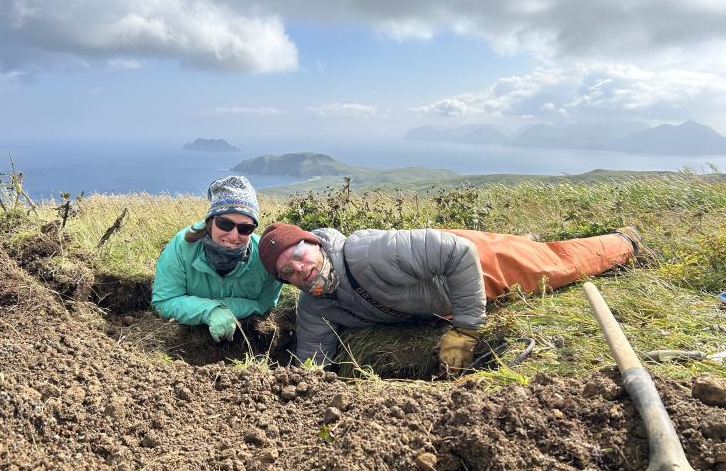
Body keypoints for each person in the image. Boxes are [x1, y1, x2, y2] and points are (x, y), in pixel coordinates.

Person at [258, 223, 645, 368]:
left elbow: (459, 255)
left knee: (559, 264)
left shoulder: (365, 252)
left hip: (473, 263)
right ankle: (522, 239)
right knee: (530, 250)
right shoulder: (315, 305)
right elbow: (312, 364)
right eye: (286, 273)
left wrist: (465, 331)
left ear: (312, 243)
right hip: (436, 281)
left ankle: (624, 241)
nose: (299, 270)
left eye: (298, 255)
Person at [152, 176, 282, 343]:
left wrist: (225, 308)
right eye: (225, 224)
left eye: (245, 228)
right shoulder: (181, 246)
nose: (234, 236)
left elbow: (266, 304)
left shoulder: (265, 257)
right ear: (210, 222)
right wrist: (209, 311)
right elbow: (164, 301)